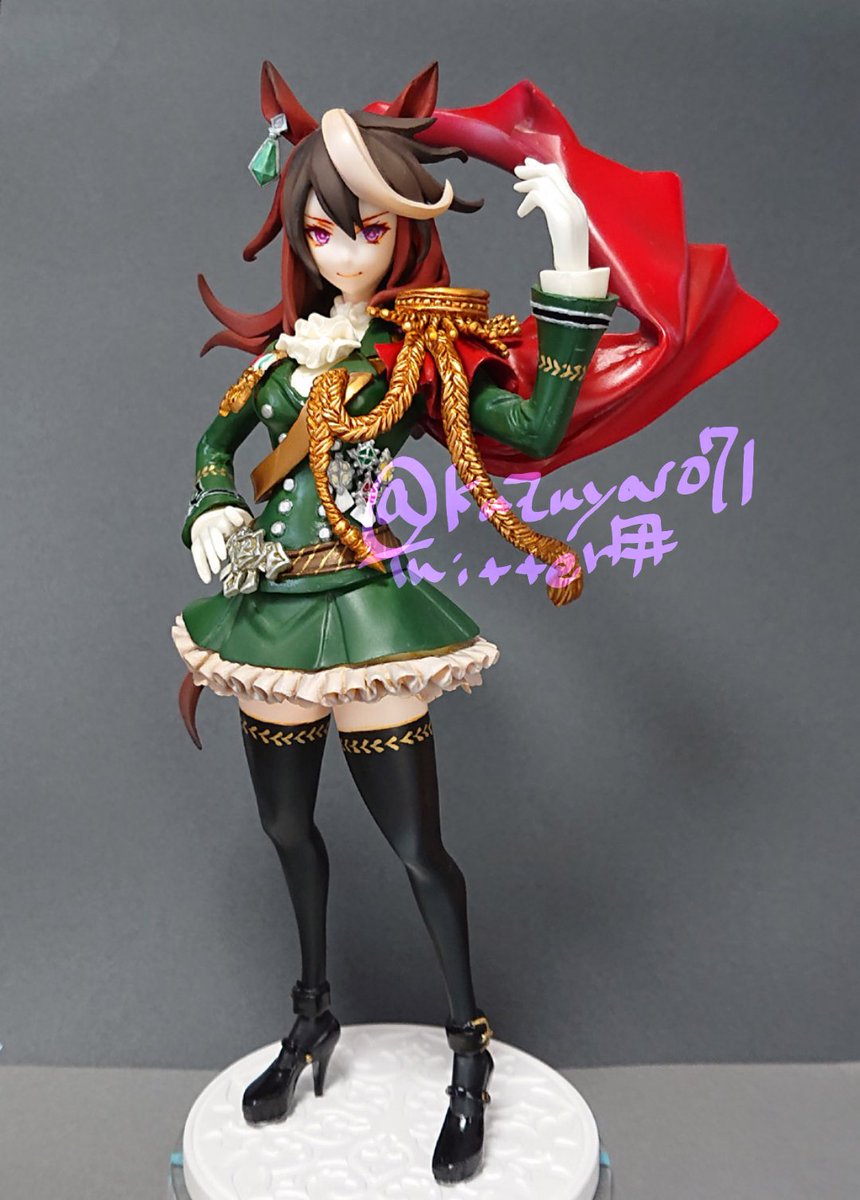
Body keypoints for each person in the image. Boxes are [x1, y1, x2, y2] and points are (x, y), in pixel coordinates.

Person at [172, 60, 775, 1185]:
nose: (341, 251)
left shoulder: (418, 356)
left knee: (415, 849)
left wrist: (569, 257)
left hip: (368, 621)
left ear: (402, 231)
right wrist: (211, 507)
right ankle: (311, 1017)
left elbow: (533, 428)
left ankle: (467, 1050)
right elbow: (215, 445)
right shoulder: (279, 359)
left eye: (364, 230)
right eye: (321, 231)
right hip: (269, 614)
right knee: (287, 830)